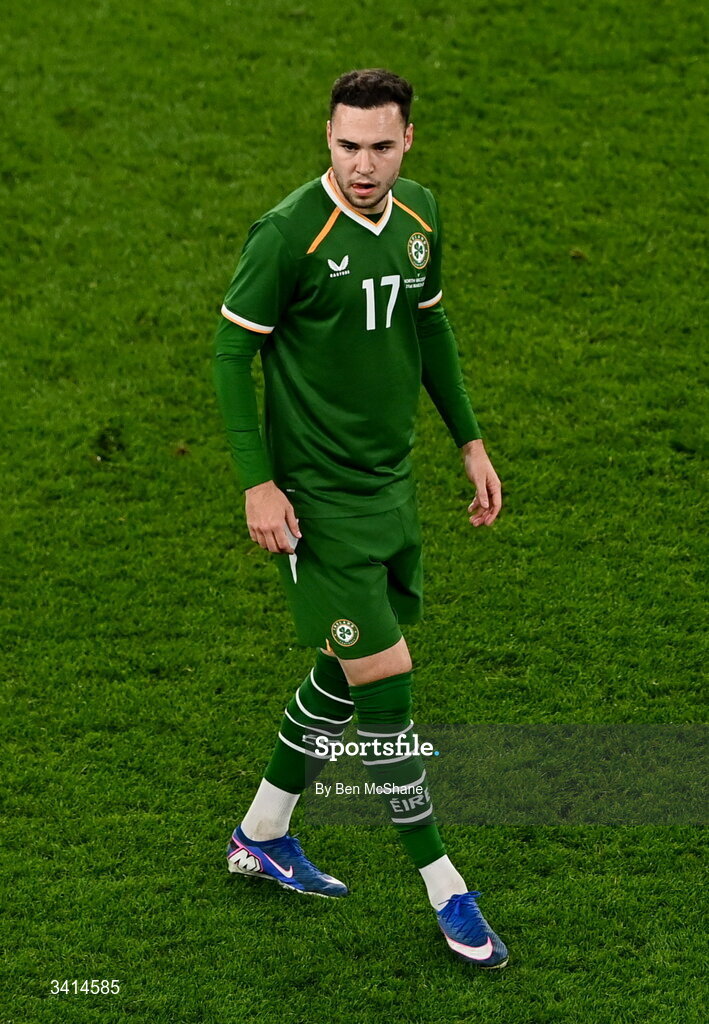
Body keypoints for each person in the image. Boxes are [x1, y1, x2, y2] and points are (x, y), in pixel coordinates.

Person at [213, 69, 507, 969]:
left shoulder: (418, 216)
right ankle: (445, 887)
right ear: (325, 138)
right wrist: (259, 485)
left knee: (343, 673)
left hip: (389, 488)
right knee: (387, 685)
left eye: (381, 145)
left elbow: (429, 326)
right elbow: (232, 352)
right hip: (316, 506)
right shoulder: (288, 232)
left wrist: (467, 439)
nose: (364, 164)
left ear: (407, 139)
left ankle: (262, 834)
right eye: (347, 146)